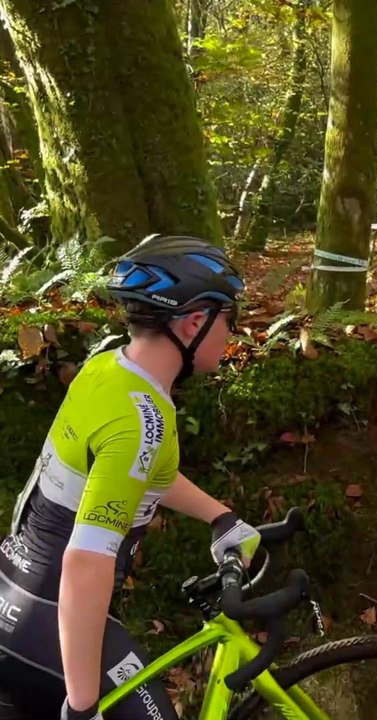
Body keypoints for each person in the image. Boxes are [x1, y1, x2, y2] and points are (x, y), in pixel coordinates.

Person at [0, 235, 264, 720]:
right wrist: (83, 706)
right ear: (194, 322)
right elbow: (85, 563)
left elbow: (138, 473)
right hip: (51, 617)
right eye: (230, 317)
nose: (233, 331)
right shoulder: (143, 420)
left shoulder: (107, 370)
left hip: (13, 590)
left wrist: (220, 516)